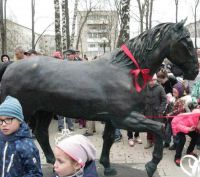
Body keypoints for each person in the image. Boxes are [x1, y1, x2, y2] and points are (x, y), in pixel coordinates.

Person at [0, 96, 43, 177]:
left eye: (8, 119)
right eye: (0, 120)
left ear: (19, 120)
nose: (3, 124)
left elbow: (35, 173)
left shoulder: (26, 145)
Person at [144, 74, 167, 149]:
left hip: (157, 112)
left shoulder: (160, 88)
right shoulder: (145, 87)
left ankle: (156, 143)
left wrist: (161, 110)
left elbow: (164, 100)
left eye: (153, 80)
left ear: (155, 80)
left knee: (156, 128)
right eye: (150, 80)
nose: (151, 82)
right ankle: (149, 142)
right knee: (148, 127)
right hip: (148, 111)